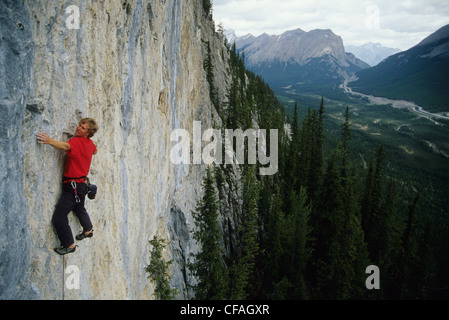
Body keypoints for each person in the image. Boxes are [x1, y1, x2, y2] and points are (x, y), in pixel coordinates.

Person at [36, 118, 98, 255]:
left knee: (59, 217)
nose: (78, 128)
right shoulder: (90, 143)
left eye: (83, 128)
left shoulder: (76, 142)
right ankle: (88, 230)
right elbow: (95, 151)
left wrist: (50, 141)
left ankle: (69, 245)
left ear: (88, 133)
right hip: (81, 185)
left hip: (73, 187)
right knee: (79, 208)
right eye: (80, 125)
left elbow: (65, 146)